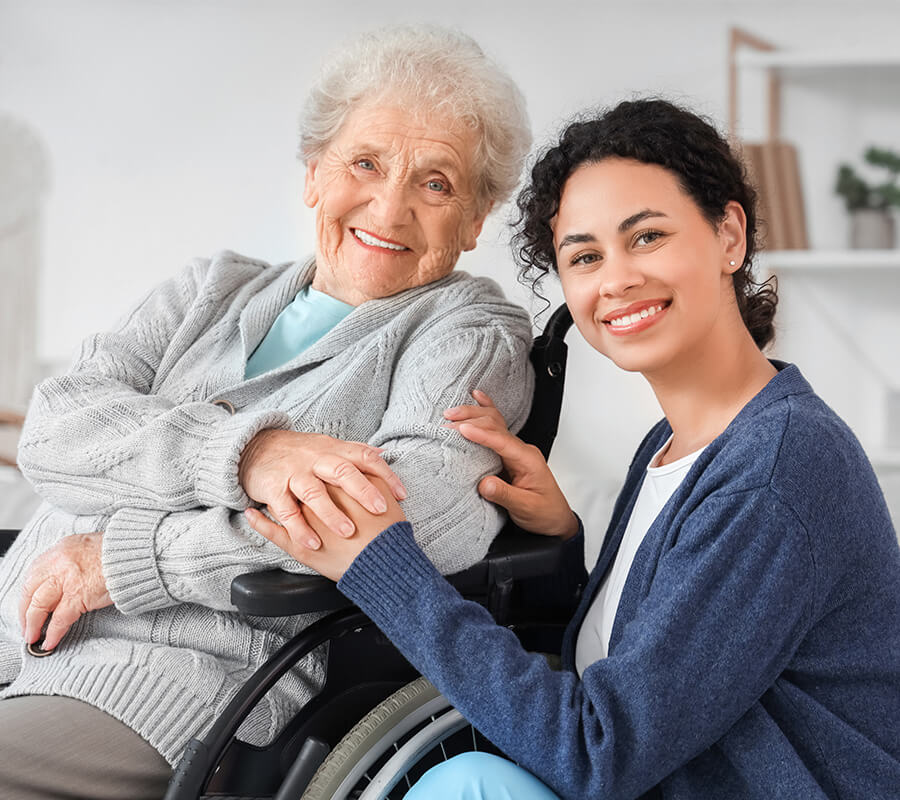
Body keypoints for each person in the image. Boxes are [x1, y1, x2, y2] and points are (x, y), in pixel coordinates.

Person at [248, 99, 900, 799]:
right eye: (585, 256)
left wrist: (382, 568)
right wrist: (562, 545)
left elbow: (600, 752)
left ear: (729, 235)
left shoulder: (776, 473)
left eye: (646, 237)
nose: (615, 279)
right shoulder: (680, 448)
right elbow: (641, 672)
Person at [0, 26, 536, 799]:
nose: (391, 205)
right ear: (315, 174)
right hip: (19, 632)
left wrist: (130, 561)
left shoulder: (466, 335)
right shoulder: (209, 288)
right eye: (366, 163)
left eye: (438, 183)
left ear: (477, 218)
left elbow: (420, 517)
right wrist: (251, 455)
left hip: (173, 676)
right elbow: (55, 429)